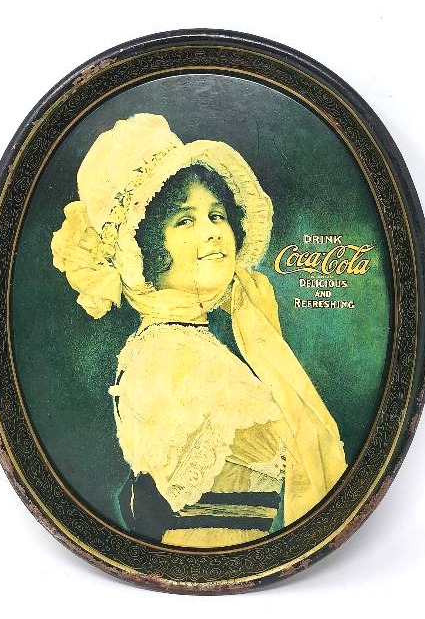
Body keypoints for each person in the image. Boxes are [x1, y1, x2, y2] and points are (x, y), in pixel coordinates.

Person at [51, 113, 347, 548]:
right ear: (147, 247)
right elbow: (203, 533)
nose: (213, 233)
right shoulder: (174, 357)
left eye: (216, 215)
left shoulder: (183, 345)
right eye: (185, 221)